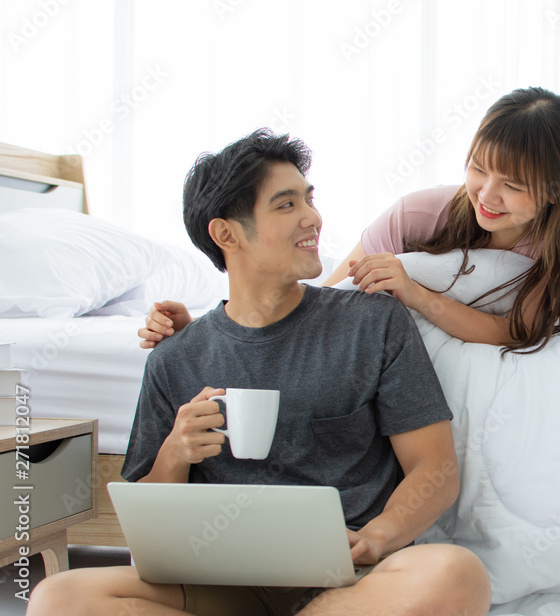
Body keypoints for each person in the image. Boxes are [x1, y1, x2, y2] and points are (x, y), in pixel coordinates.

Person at [28, 130, 490, 616]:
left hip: (353, 581)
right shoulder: (174, 356)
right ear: (226, 233)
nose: (313, 217)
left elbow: (435, 470)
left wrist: (375, 539)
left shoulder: (372, 322)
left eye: (309, 199)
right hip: (223, 587)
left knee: (456, 575)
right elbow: (147, 526)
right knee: (58, 599)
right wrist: (175, 453)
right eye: (286, 205)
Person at [139, 86, 560, 354]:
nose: (486, 195)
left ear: (557, 188)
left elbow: (519, 330)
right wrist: (201, 332)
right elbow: (319, 303)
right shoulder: (417, 215)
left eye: (512, 185)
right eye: (477, 168)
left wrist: (415, 293)